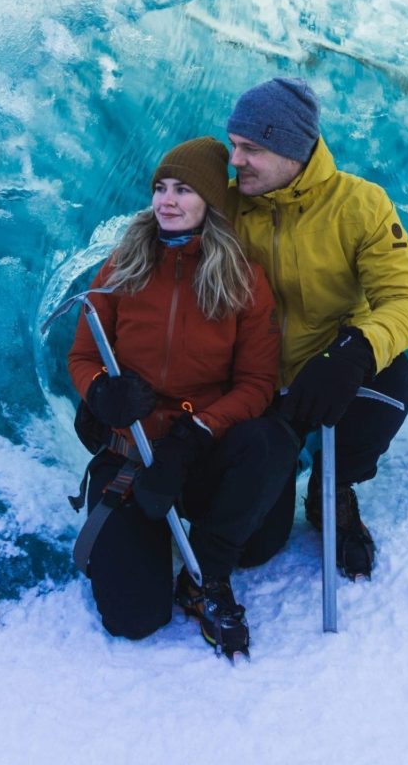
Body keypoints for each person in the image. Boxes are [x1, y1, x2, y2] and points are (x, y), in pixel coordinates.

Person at [67, 137, 290, 656]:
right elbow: (82, 356)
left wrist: (193, 434)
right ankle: (142, 529)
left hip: (202, 450)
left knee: (262, 522)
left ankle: (206, 575)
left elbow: (256, 385)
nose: (166, 200)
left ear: (210, 201)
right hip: (135, 454)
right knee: (133, 617)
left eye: (183, 190)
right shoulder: (123, 265)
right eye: (161, 188)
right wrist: (102, 394)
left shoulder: (244, 280)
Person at [225, 77, 408, 580]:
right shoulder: (226, 207)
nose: (235, 161)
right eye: (233, 146)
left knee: (391, 378)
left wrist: (356, 350)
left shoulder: (360, 204)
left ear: (291, 149)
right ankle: (276, 464)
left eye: (250, 148)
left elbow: (406, 300)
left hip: (331, 368)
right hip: (257, 384)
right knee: (252, 547)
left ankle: (333, 487)